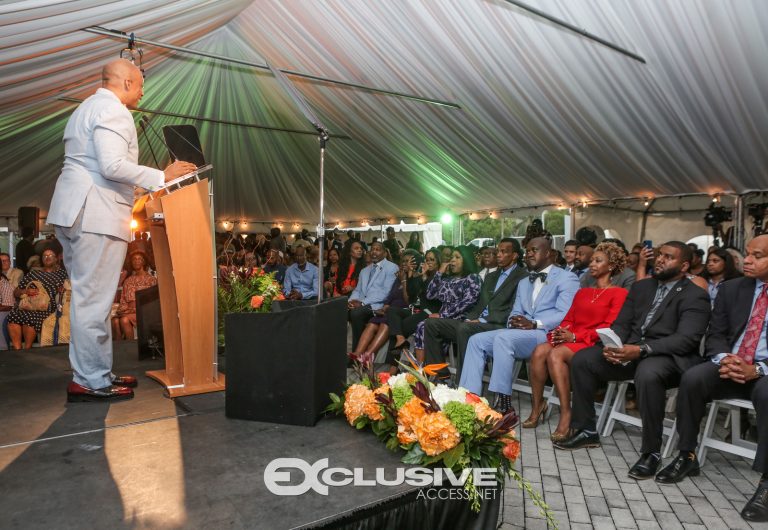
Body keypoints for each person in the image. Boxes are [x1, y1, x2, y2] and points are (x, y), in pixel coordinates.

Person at [46, 59, 197, 402]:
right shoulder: (113, 111)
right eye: (141, 85)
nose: (143, 92)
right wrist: (163, 177)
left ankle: (97, 373)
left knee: (91, 298)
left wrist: (139, 193)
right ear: (127, 83)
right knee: (94, 302)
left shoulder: (87, 107)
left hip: (76, 210)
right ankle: (89, 381)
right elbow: (112, 165)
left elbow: (95, 165)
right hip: (95, 213)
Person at [554, 242, 711, 483]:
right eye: (659, 255)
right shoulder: (642, 287)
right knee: (584, 358)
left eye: (668, 257)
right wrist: (611, 345)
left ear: (684, 265)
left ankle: (651, 453)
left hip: (667, 357)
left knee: (648, 373)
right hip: (630, 350)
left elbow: (686, 340)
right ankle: (587, 430)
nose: (659, 260)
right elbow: (622, 324)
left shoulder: (694, 294)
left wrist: (640, 349)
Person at [657, 235, 768, 522]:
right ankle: (687, 455)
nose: (748, 260)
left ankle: (766, 483)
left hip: (764, 371)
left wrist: (757, 369)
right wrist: (725, 359)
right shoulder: (733, 288)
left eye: (757, 255)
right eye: (747, 253)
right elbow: (716, 334)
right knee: (693, 378)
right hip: (731, 362)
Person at [459, 237, 579, 414]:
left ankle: (504, 401)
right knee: (476, 340)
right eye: (528, 250)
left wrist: (533, 323)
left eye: (534, 250)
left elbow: (564, 314)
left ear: (548, 253)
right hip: (522, 333)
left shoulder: (567, 278)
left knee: (502, 338)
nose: (529, 253)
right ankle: (469, 399)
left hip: (547, 333)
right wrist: (514, 320)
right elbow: (515, 311)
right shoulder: (524, 281)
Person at [527, 243, 629, 441]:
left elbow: (609, 327)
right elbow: (569, 319)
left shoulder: (619, 293)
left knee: (556, 354)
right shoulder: (583, 292)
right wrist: (560, 333)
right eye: (592, 260)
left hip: (593, 343)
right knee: (540, 350)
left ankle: (567, 413)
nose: (592, 264)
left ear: (611, 266)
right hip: (572, 339)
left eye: (598, 261)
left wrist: (575, 337)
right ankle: (537, 406)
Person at [423, 238, 527, 376]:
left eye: (503, 252)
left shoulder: (522, 276)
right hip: (474, 322)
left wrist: (482, 320)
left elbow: (514, 309)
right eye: (498, 251)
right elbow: (479, 304)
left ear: (514, 255)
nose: (499, 255)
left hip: (498, 325)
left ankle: (463, 384)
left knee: (465, 329)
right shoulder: (491, 276)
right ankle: (438, 374)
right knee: (431, 324)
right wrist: (470, 318)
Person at [412, 246, 482, 366]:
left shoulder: (472, 278)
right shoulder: (448, 279)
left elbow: (467, 302)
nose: (452, 261)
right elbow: (429, 294)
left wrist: (443, 314)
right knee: (422, 326)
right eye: (451, 257)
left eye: (457, 257)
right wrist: (439, 273)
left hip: (460, 319)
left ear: (466, 259)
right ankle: (422, 369)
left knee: (423, 326)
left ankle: (428, 369)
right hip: (442, 319)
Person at [383, 249, 441, 373]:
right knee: (392, 311)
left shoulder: (439, 276)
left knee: (399, 326)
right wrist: (410, 275)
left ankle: (393, 367)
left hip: (430, 312)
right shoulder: (422, 275)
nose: (429, 262)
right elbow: (411, 296)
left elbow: (431, 295)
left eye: (432, 260)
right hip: (417, 310)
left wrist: (424, 277)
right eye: (427, 259)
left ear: (438, 262)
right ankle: (400, 340)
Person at [355, 251, 422, 357]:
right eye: (403, 261)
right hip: (390, 309)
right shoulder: (399, 278)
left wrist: (404, 280)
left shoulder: (416, 278)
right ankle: (357, 354)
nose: (404, 263)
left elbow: (408, 301)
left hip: (402, 311)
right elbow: (391, 295)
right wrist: (385, 305)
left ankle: (368, 354)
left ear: (415, 264)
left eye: (408, 261)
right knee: (372, 324)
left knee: (385, 323)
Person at [7, 248, 69, 349]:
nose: (47, 258)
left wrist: (63, 290)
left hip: (48, 308)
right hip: (30, 305)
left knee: (30, 318)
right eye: (45, 256)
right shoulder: (33, 274)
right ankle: (17, 350)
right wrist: (26, 291)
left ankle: (27, 349)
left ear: (56, 258)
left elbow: (69, 289)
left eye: (50, 256)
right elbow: (16, 292)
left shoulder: (62, 274)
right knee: (13, 316)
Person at [347, 241, 399, 350]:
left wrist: (362, 303)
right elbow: (357, 290)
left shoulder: (392, 268)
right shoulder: (364, 271)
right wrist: (351, 301)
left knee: (356, 314)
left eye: (378, 249)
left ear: (384, 253)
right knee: (341, 311)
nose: (374, 252)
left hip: (378, 306)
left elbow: (386, 292)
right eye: (372, 249)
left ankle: (356, 353)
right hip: (363, 304)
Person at [111, 249, 156, 340]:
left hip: (144, 311)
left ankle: (132, 347)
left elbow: (154, 300)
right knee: (115, 321)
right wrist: (123, 310)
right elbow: (123, 300)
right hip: (129, 311)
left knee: (124, 320)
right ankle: (121, 350)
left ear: (143, 262)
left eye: (139, 259)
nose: (136, 261)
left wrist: (137, 309)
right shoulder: (128, 281)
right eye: (134, 259)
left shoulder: (151, 280)